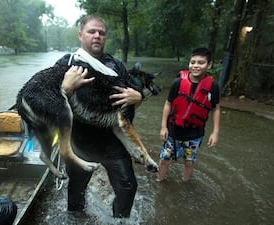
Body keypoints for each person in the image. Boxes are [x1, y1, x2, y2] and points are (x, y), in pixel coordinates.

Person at [54, 15, 143, 218]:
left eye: (101, 33)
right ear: (80, 35)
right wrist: (65, 88)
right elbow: (45, 101)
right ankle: (76, 219)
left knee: (128, 187)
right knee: (76, 193)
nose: (97, 36)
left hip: (113, 142)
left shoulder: (116, 65)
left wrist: (138, 97)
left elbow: (133, 94)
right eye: (92, 31)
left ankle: (119, 220)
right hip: (80, 143)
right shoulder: (66, 63)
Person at [156, 48, 220, 182]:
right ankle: (159, 181)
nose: (196, 66)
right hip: (173, 131)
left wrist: (215, 132)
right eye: (193, 62)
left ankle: (185, 182)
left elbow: (215, 108)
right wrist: (163, 127)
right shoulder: (178, 82)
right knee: (164, 160)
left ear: (209, 65)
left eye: (201, 63)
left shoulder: (213, 87)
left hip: (195, 134)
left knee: (189, 163)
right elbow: (168, 104)